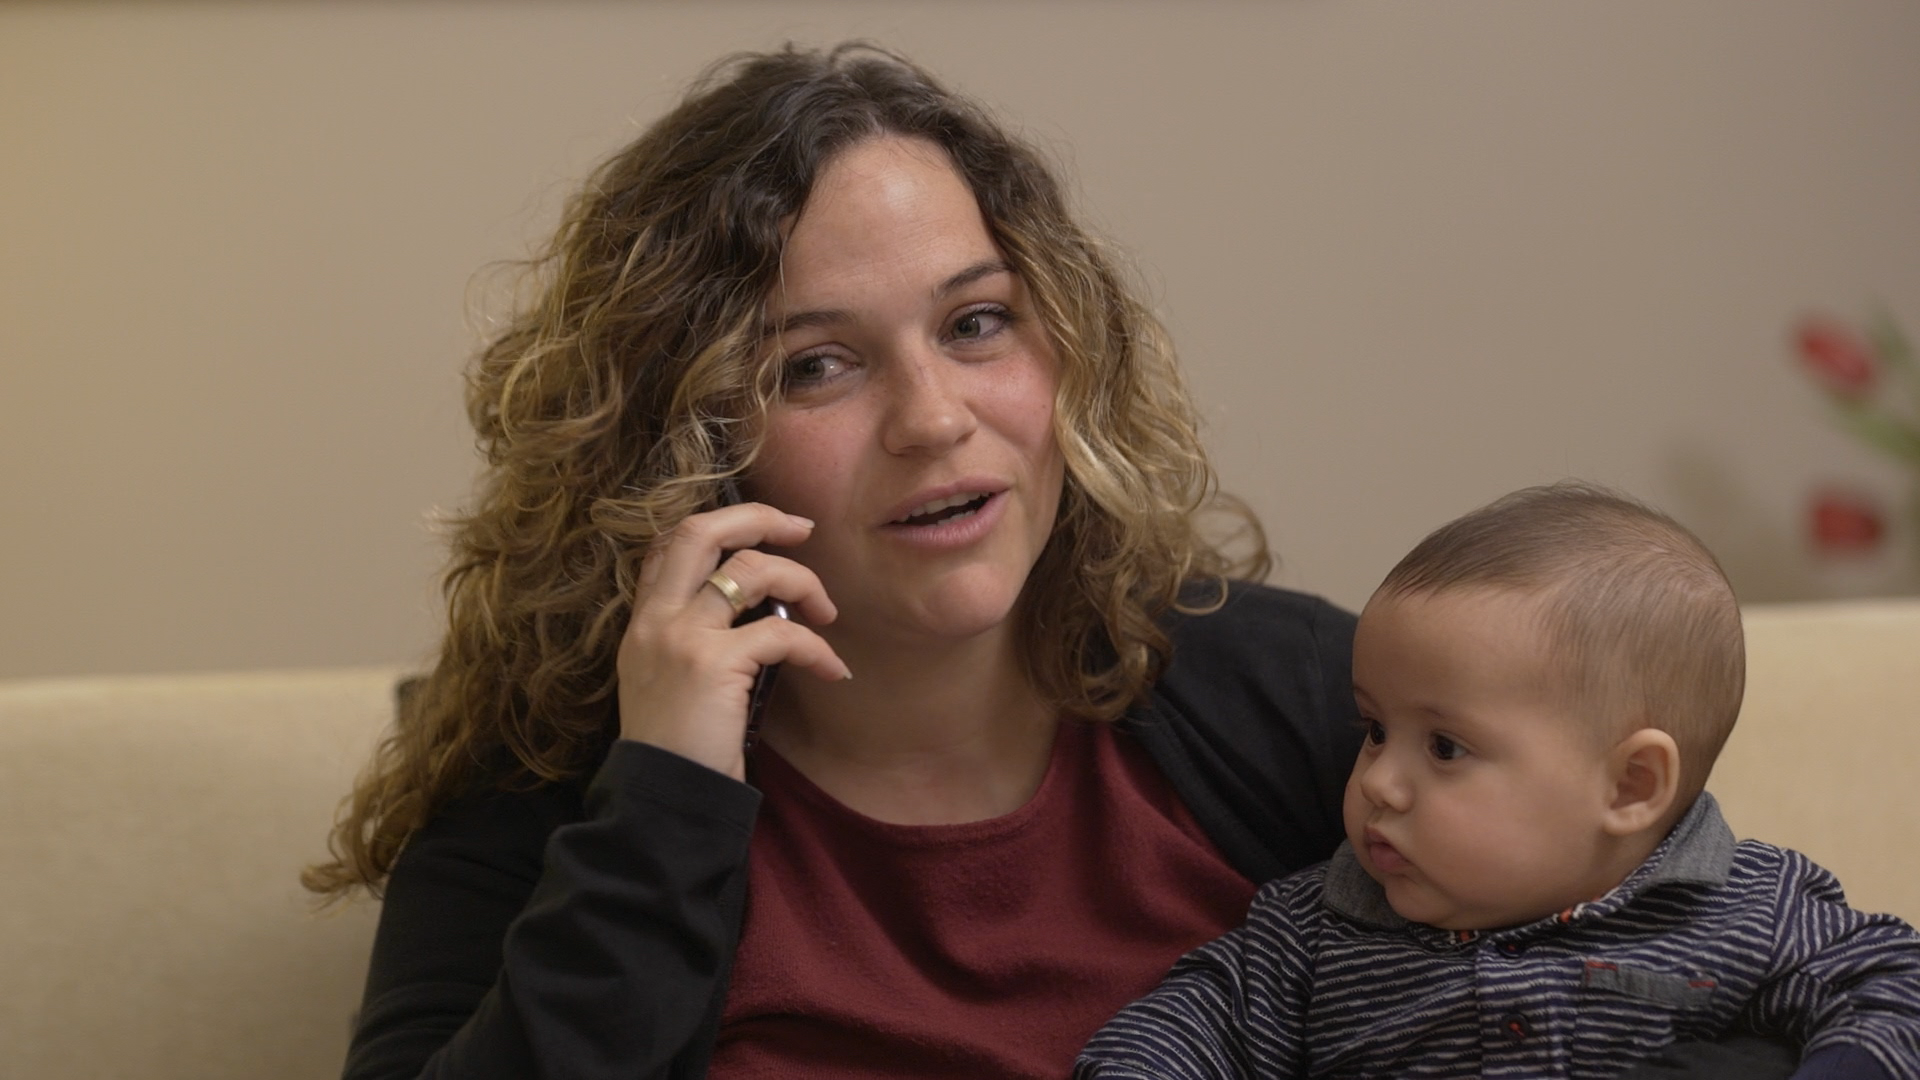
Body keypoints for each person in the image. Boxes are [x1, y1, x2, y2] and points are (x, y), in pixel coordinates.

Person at [304, 42, 1366, 1080]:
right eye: (816, 367)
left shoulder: (1301, 695)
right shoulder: (550, 795)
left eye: (976, 322)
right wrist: (664, 803)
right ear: (684, 447)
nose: (933, 418)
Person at [1077, 482, 1920, 1079]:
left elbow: (1894, 987)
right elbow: (1175, 1032)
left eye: (1445, 748)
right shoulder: (1314, 935)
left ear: (1631, 786)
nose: (1381, 784)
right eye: (1375, 731)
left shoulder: (1751, 909)